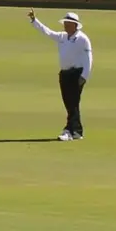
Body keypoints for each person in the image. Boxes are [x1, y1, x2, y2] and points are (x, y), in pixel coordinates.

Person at [28, 9, 93, 141]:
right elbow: (48, 32)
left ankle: (68, 130)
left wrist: (84, 76)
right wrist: (35, 21)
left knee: (72, 103)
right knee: (69, 103)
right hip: (64, 74)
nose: (65, 25)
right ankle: (77, 131)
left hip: (76, 74)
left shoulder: (82, 39)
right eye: (65, 23)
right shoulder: (63, 37)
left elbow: (88, 58)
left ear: (75, 25)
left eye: (68, 23)